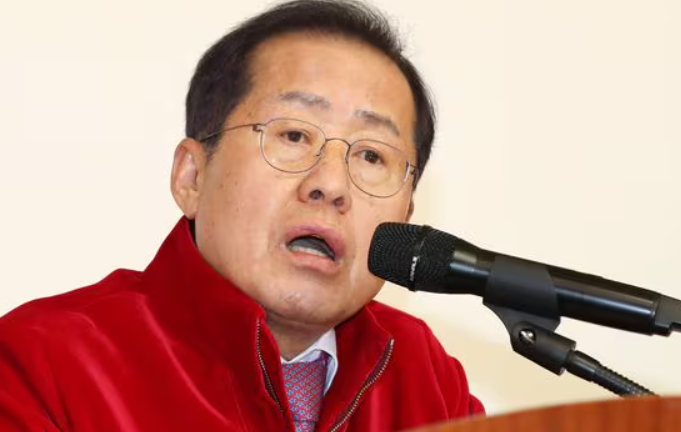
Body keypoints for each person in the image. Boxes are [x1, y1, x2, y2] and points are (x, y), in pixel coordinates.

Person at [0, 1, 484, 431]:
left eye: (372, 156)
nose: (331, 185)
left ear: (406, 216)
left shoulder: (428, 380)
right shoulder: (41, 364)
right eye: (293, 136)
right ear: (191, 177)